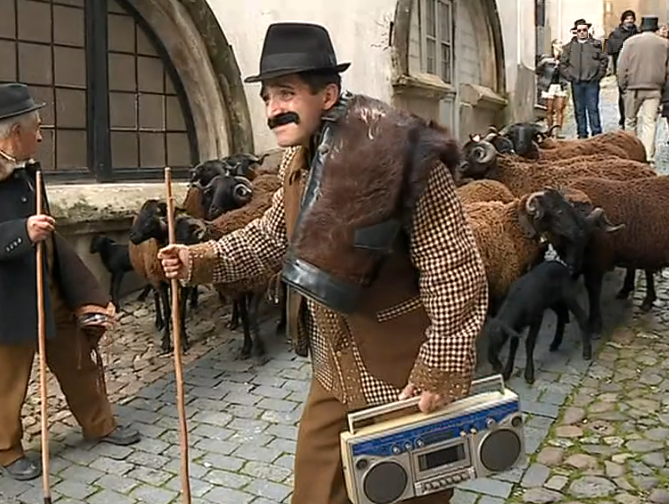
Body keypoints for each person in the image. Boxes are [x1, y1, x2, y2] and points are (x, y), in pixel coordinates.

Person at [158, 22, 488, 504]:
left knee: (406, 495)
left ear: (328, 94)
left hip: (403, 374)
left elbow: (453, 266)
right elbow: (272, 236)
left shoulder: (405, 157)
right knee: (314, 491)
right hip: (335, 369)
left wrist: (440, 366)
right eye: (268, 97)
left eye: (286, 93)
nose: (273, 110)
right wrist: (199, 259)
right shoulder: (299, 161)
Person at [0, 83, 140, 481]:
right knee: (6, 382)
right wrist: (21, 231)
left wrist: (82, 288)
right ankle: (5, 451)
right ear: (16, 131)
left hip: (49, 291)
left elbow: (50, 234)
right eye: (37, 127)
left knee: (78, 360)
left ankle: (100, 424)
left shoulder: (29, 171)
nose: (42, 135)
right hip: (6, 300)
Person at [617, 15, 669, 163]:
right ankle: (648, 156)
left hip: (633, 88)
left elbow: (621, 67)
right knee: (650, 123)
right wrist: (665, 89)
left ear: (641, 27)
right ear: (655, 28)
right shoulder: (665, 44)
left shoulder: (630, 42)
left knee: (630, 122)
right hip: (654, 89)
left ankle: (632, 155)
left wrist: (623, 86)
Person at [559, 19, 609, 138]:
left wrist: (598, 75)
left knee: (593, 108)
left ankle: (596, 133)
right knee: (579, 109)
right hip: (576, 83)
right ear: (575, 32)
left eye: (584, 30)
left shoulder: (596, 45)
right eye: (579, 30)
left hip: (592, 82)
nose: (582, 32)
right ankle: (582, 133)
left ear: (588, 30)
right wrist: (570, 76)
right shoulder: (569, 47)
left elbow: (604, 60)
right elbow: (563, 64)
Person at [605, 10, 639, 128]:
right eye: (627, 18)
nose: (629, 21)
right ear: (623, 20)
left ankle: (632, 117)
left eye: (631, 18)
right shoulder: (616, 34)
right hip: (621, 68)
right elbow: (610, 51)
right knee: (623, 95)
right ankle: (623, 118)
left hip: (636, 68)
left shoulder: (637, 33)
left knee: (636, 95)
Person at [536, 40, 569, 136]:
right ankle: (550, 130)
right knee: (549, 109)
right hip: (548, 86)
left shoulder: (565, 59)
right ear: (553, 46)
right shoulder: (546, 59)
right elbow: (538, 70)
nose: (560, 46)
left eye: (561, 44)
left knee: (560, 109)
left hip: (561, 85)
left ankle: (558, 131)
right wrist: (543, 79)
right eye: (558, 44)